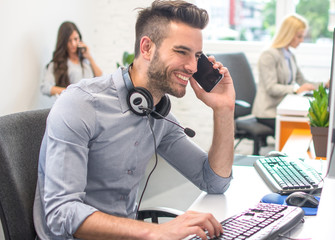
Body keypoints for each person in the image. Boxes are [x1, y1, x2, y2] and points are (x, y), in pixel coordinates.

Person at [33, 1, 235, 239]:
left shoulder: (158, 116)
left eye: (197, 56)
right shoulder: (80, 104)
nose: (192, 66)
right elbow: (61, 213)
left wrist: (224, 110)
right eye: (182, 52)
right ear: (147, 48)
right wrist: (155, 232)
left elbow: (214, 182)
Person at [252, 14, 329, 132]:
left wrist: (325, 85)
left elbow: (303, 82)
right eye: (299, 36)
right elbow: (271, 88)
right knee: (302, 127)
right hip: (268, 112)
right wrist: (295, 90)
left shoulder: (289, 55)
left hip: (283, 107)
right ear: (288, 34)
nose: (302, 40)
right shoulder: (268, 55)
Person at [41, 21, 102, 96]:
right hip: (72, 103)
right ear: (64, 42)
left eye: (76, 39)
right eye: (69, 41)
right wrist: (71, 91)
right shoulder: (57, 63)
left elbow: (101, 79)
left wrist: (90, 58)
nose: (73, 44)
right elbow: (45, 88)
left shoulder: (86, 59)